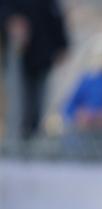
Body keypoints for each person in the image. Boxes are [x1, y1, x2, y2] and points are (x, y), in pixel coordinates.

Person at [0, 0, 69, 138]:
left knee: (39, 104)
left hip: (42, 56)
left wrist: (62, 44)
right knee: (18, 103)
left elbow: (55, 17)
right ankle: (16, 139)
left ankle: (33, 138)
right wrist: (11, 19)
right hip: (16, 58)